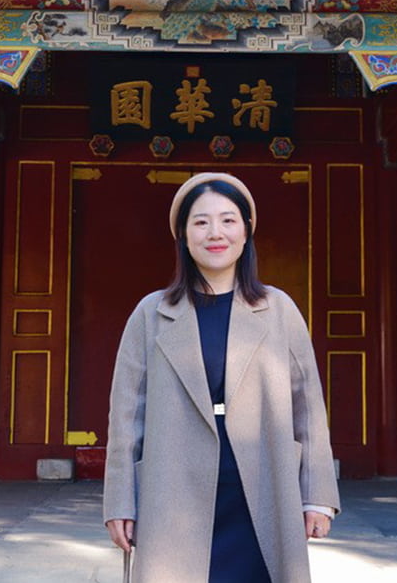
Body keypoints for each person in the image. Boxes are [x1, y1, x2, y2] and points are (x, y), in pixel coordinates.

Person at [103, 172, 340, 583]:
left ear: (246, 232)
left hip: (262, 490)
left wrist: (318, 495)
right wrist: (120, 501)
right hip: (173, 495)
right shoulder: (151, 314)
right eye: (201, 221)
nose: (216, 233)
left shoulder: (278, 309)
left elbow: (309, 408)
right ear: (183, 235)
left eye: (229, 220)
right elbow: (126, 419)